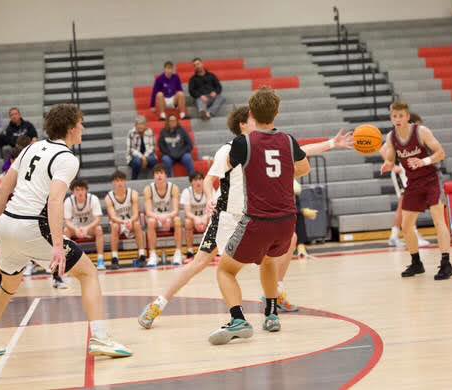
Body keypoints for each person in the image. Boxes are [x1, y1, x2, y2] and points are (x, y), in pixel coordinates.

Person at [138, 105, 353, 329]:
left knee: (286, 245)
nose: (258, 121)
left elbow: (300, 151)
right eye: (252, 118)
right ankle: (158, 304)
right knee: (199, 263)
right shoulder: (229, 150)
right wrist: (210, 198)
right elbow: (210, 179)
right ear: (243, 124)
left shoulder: (264, 145)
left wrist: (331, 144)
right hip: (226, 217)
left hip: (250, 217)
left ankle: (273, 297)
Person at [0, 103, 132, 360]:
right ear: (70, 128)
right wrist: (57, 246)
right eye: (81, 123)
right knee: (88, 273)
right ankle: (101, 338)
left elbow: (1, 190)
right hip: (32, 226)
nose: (83, 128)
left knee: (6, 288)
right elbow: (55, 201)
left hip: (7, 225)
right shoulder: (66, 158)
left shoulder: (30, 148)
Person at [207, 88, 311, 345]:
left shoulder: (244, 143)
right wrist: (278, 174)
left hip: (257, 221)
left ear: (251, 114)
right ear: (277, 112)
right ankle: (272, 314)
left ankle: (238, 319)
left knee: (225, 271)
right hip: (287, 221)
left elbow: (229, 166)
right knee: (268, 262)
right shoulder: (288, 140)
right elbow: (304, 168)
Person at [381, 101, 452, 281]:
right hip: (413, 183)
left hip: (431, 180)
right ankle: (416, 263)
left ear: (407, 116)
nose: (397, 119)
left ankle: (446, 263)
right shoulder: (391, 137)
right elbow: (390, 159)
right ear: (391, 118)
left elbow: (441, 153)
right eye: (394, 116)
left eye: (400, 116)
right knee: (406, 226)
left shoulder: (421, 131)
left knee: (438, 220)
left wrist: (423, 161)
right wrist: (387, 164)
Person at [380, 113, 430, 248]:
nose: (420, 127)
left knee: (406, 205)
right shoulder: (398, 135)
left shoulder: (413, 137)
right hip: (401, 172)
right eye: (418, 124)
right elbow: (382, 149)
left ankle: (395, 235)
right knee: (406, 204)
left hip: (408, 172)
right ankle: (409, 234)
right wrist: (393, 166)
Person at [105, 170, 145, 270]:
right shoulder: (109, 197)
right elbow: (113, 216)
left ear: (125, 181)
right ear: (113, 183)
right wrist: (123, 222)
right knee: (114, 226)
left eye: (122, 180)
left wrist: (130, 221)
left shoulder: (133, 194)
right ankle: (114, 258)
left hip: (132, 221)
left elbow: (136, 213)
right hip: (118, 223)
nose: (119, 183)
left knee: (137, 224)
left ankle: (142, 255)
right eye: (117, 181)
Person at [144, 164, 183, 266]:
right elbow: (148, 212)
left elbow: (175, 210)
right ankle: (153, 255)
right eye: (157, 173)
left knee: (178, 220)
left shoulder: (174, 188)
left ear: (166, 175)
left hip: (170, 218)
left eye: (161, 173)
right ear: (153, 176)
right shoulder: (148, 189)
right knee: (150, 221)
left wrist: (168, 217)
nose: (159, 176)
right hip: (156, 219)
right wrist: (160, 217)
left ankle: (178, 253)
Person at [64, 179, 106, 270]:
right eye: (77, 190)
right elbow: (67, 221)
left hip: (90, 227)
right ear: (73, 191)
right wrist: (75, 229)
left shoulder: (93, 199)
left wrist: (87, 228)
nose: (80, 192)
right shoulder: (68, 201)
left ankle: (100, 260)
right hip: (75, 228)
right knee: (66, 231)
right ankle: (68, 261)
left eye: (82, 189)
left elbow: (98, 219)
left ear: (86, 190)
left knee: (99, 229)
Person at [180, 172, 209, 258]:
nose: (198, 182)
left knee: (213, 220)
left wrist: (205, 217)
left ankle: (209, 249)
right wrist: (196, 218)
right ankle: (190, 250)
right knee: (187, 222)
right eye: (195, 180)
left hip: (206, 218)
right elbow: (187, 212)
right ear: (191, 182)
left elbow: (212, 208)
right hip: (193, 219)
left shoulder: (208, 190)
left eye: (200, 179)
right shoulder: (187, 191)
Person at [126, 116, 158, 180]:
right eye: (139, 124)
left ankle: (154, 179)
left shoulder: (150, 132)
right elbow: (131, 149)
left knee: (153, 160)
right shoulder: (131, 133)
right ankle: (134, 179)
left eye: (142, 124)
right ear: (135, 125)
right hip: (134, 156)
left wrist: (145, 157)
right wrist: (142, 157)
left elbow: (152, 147)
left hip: (147, 155)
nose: (140, 126)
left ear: (145, 125)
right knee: (137, 162)